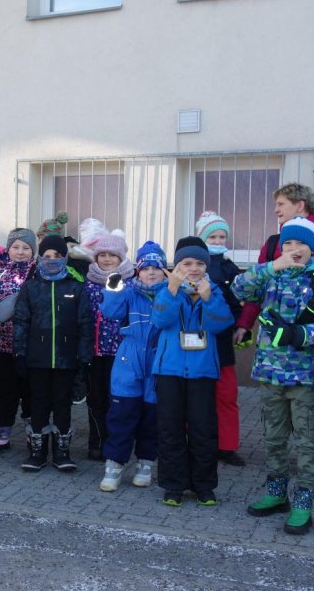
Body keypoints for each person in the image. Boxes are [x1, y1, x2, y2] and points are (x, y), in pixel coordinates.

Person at [231, 216, 314, 534]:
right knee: (274, 438)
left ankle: (304, 501)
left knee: (307, 442)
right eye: (288, 243)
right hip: (269, 372)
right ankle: (276, 493)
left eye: (300, 244)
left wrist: (299, 335)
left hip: (305, 376)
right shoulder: (271, 275)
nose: (294, 249)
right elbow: (239, 288)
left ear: (313, 248)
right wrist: (272, 266)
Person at [150, 237, 235, 507]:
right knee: (170, 429)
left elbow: (221, 324)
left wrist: (208, 299)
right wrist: (172, 290)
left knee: (203, 430)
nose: (194, 268)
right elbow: (161, 320)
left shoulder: (214, 291)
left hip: (202, 372)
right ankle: (174, 485)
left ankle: (204, 486)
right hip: (169, 370)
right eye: (187, 263)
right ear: (178, 265)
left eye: (200, 263)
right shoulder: (166, 289)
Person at [14, 234, 93, 472]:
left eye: (57, 256)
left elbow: (85, 324)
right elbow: (21, 321)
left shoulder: (75, 287)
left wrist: (84, 357)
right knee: (38, 404)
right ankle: (36, 452)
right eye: (47, 256)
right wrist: (19, 353)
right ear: (39, 258)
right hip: (37, 359)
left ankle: (61, 452)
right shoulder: (30, 287)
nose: (51, 260)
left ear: (65, 258)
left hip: (66, 359)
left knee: (62, 405)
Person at [233, 183, 314, 347]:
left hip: (307, 349)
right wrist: (245, 323)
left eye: (281, 204)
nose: (276, 210)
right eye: (288, 243)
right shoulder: (274, 244)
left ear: (300, 205)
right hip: (270, 358)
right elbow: (252, 289)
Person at [97, 242, 167, 491]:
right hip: (129, 359)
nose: (151, 272)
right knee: (122, 414)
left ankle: (146, 463)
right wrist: (112, 288)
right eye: (146, 268)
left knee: (151, 416)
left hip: (159, 361)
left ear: (164, 271)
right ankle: (114, 465)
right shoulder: (128, 292)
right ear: (138, 270)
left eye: (156, 268)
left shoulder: (170, 293)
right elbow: (110, 312)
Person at [0, 228, 37, 456]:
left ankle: (35, 433)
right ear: (8, 249)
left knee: (32, 391)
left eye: (26, 248)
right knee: (5, 391)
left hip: (33, 347)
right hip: (3, 346)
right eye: (16, 247)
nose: (20, 252)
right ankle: (1, 432)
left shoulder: (41, 273)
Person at [79, 220, 133, 461]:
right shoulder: (88, 282)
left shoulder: (130, 283)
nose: (108, 259)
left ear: (121, 258)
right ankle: (97, 442)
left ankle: (116, 444)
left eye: (113, 255)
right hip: (94, 351)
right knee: (96, 398)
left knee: (117, 400)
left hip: (121, 352)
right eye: (103, 255)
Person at [194, 211, 246, 467]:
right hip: (197, 341)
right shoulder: (192, 264)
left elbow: (240, 302)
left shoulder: (230, 267)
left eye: (222, 236)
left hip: (223, 340)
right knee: (197, 395)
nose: (217, 240)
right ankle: (197, 441)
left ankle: (227, 446)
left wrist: (242, 326)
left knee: (226, 395)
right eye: (212, 236)